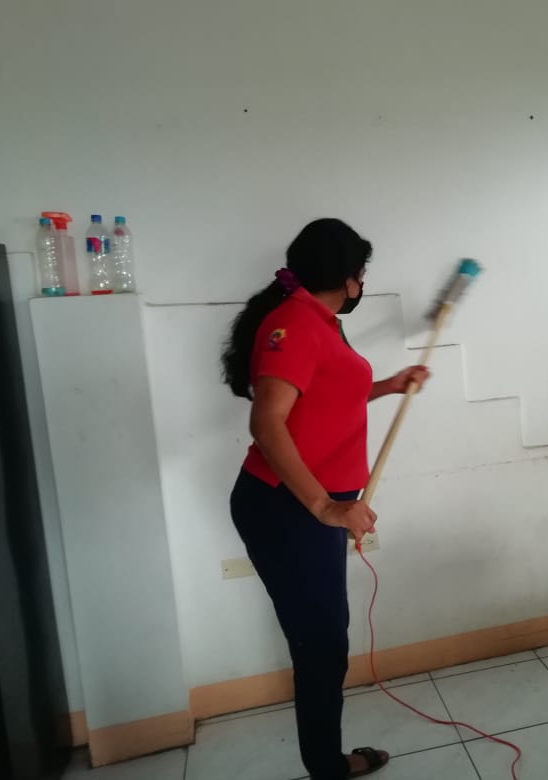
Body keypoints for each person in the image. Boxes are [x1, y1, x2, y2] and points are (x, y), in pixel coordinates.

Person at [221, 218, 429, 779]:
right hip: (287, 507)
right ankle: (327, 769)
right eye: (361, 274)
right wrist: (325, 507)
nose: (362, 284)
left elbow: (330, 393)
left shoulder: (321, 321)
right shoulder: (293, 324)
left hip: (310, 506)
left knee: (325, 643)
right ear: (349, 277)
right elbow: (267, 423)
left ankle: (326, 762)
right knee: (322, 647)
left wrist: (390, 384)